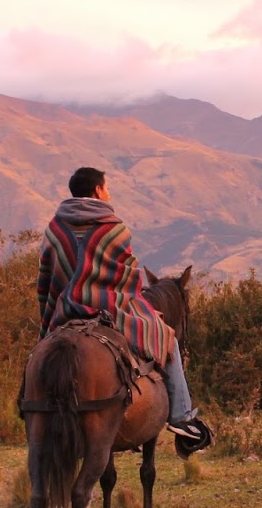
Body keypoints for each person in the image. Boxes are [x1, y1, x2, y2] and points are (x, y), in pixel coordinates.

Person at [37, 166, 212, 455]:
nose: (109, 193)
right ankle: (183, 418)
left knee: (39, 356)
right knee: (167, 338)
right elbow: (127, 279)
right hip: (109, 311)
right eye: (107, 188)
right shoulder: (112, 227)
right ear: (97, 191)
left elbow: (47, 280)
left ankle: (31, 408)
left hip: (65, 312)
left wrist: (52, 315)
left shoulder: (54, 230)